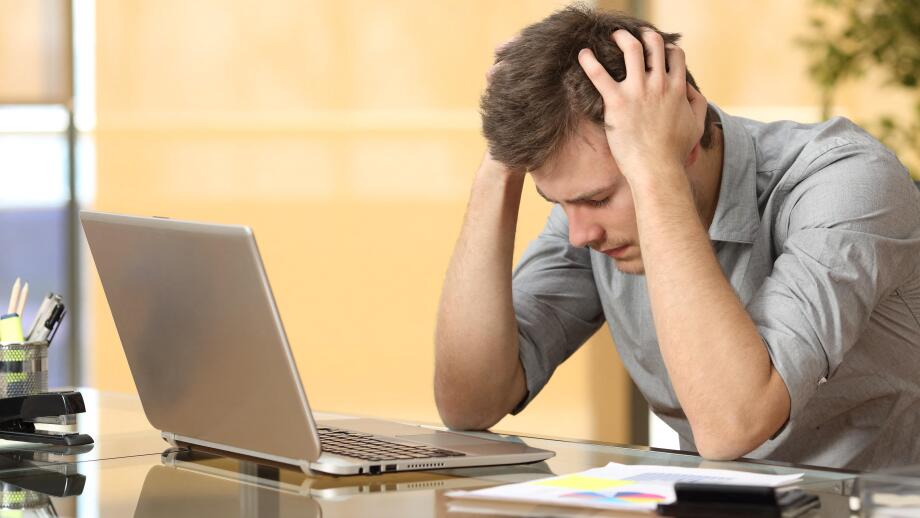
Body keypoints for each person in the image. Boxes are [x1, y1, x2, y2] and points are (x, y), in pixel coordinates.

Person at [433, 5, 920, 471]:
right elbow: (470, 404)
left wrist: (655, 172)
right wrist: (499, 165)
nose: (580, 234)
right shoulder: (591, 212)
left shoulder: (846, 183)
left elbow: (733, 425)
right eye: (558, 202)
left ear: (682, 140)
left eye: (599, 200)